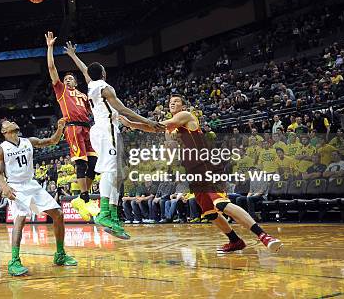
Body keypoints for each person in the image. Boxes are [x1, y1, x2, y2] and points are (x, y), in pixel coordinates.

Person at [121, 95, 282, 253]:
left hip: (205, 165)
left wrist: (133, 118)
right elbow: (153, 128)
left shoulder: (185, 116)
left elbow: (156, 124)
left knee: (220, 203)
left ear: (182, 106)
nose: (172, 103)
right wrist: (130, 124)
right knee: (210, 212)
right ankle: (235, 241)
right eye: (170, 102)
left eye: (176, 101)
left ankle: (264, 236)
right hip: (192, 171)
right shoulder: (170, 130)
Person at [66, 41, 161, 239]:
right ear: (104, 74)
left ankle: (113, 215)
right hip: (106, 130)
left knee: (120, 173)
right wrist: (148, 121)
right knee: (111, 171)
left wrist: (74, 56)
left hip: (101, 131)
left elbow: (85, 70)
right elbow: (123, 110)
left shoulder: (91, 84)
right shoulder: (105, 88)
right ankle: (105, 213)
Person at [0, 117, 77, 276]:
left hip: (31, 185)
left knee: (58, 214)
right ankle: (14, 261)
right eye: (8, 123)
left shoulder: (28, 141)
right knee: (21, 218)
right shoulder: (2, 149)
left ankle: (60, 255)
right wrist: (5, 187)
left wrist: (59, 128)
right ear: (4, 131)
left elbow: (53, 141)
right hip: (16, 187)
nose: (13, 122)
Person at [46, 32, 100, 222]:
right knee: (81, 163)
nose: (67, 80)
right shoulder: (61, 91)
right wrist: (50, 47)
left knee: (95, 164)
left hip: (87, 128)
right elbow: (52, 68)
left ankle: (83, 197)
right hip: (73, 128)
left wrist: (73, 55)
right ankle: (84, 198)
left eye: (70, 78)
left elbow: (88, 74)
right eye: (65, 78)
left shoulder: (84, 95)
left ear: (75, 82)